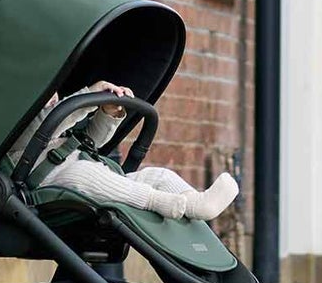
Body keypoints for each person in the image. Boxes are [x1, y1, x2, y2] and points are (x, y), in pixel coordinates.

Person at [17, 83, 240, 224]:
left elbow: (91, 142)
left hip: (91, 174)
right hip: (49, 182)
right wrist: (86, 97)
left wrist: (107, 113)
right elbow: (40, 128)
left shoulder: (58, 128)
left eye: (53, 91)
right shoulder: (16, 137)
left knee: (157, 176)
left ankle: (196, 203)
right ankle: (157, 201)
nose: (53, 97)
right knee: (87, 174)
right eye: (45, 94)